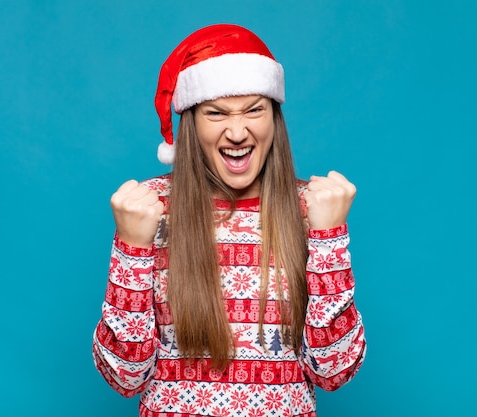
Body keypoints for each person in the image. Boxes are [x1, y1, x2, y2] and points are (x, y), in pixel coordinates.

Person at [92, 24, 366, 417]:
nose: (237, 132)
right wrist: (132, 251)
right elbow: (124, 377)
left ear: (274, 118)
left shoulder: (312, 208)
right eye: (216, 113)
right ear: (192, 122)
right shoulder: (150, 209)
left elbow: (334, 371)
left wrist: (330, 239)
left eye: (254, 109)